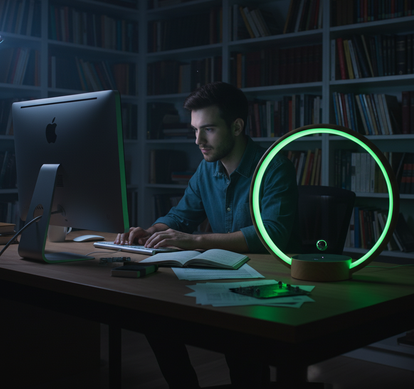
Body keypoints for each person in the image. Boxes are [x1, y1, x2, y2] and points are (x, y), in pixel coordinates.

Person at [115, 81, 301, 388]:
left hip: (271, 282)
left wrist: (195, 241)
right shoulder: (207, 169)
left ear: (237, 126)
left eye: (209, 129)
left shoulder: (274, 167)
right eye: (194, 130)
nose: (198, 140)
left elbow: (273, 235)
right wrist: (151, 231)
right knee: (152, 315)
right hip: (227, 276)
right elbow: (181, 216)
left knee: (239, 345)